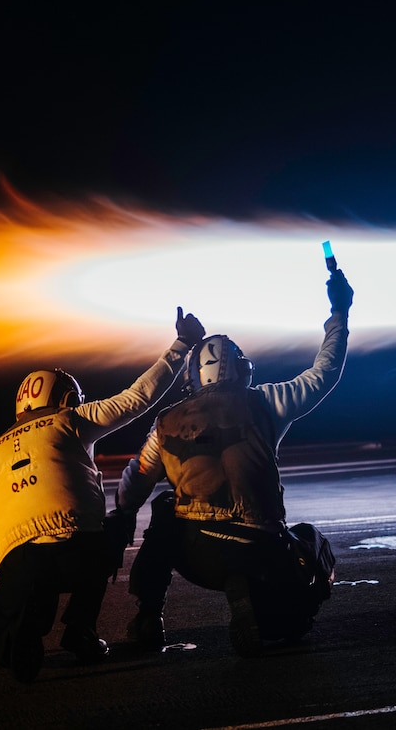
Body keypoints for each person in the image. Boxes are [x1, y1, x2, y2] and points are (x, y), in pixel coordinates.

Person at [107, 267, 352, 658]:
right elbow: (325, 372)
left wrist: (119, 518)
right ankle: (263, 602)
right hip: (260, 547)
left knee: (164, 510)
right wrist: (340, 312)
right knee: (312, 549)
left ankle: (147, 616)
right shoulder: (267, 402)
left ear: (192, 377)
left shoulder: (167, 421)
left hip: (197, 551)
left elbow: (134, 481)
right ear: (243, 370)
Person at [0, 307, 205, 684]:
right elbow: (138, 398)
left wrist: (0, 605)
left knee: (26, 565)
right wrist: (183, 344)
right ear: (64, 398)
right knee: (108, 533)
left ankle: (11, 633)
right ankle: (79, 629)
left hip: (14, 566)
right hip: (74, 552)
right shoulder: (70, 421)